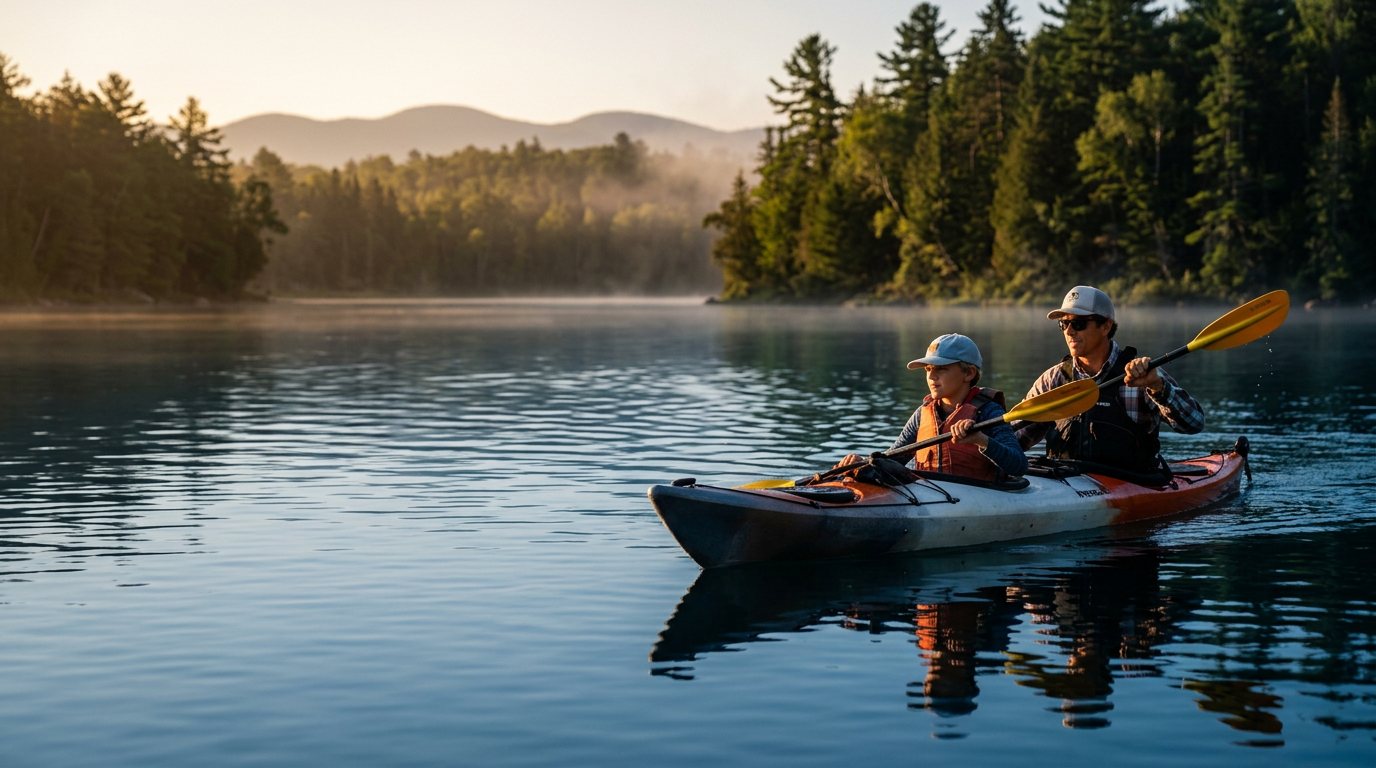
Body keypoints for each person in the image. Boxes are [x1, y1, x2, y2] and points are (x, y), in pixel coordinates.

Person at [1016, 285, 1205, 475]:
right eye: (1064, 324)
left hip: (1133, 483)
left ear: (1106, 326)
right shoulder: (1053, 380)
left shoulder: (1143, 375)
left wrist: (1157, 386)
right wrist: (987, 442)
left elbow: (1194, 424)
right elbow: (1017, 437)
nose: (1070, 331)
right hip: (1065, 481)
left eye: (1078, 323)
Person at [842, 333, 1026, 481]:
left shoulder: (988, 412)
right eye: (928, 369)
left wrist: (981, 440)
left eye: (941, 369)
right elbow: (894, 458)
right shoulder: (922, 414)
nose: (931, 377)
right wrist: (862, 464)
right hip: (932, 496)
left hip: (978, 499)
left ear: (969, 373)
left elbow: (1018, 466)